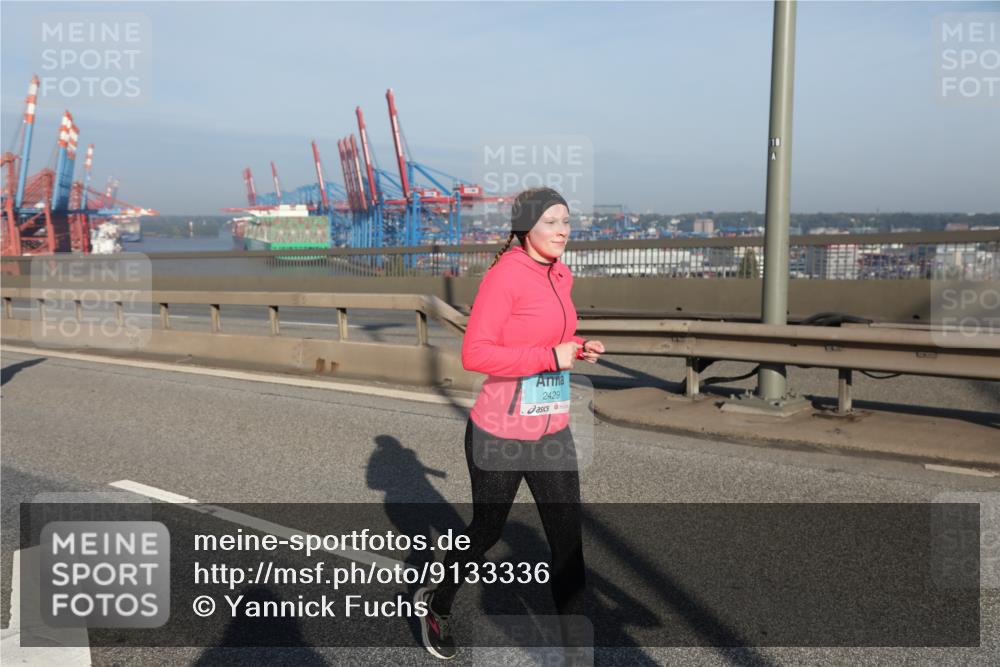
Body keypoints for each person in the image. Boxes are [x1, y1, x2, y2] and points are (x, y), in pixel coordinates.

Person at [415, 187, 606, 660]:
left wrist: (577, 346)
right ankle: (437, 604)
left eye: (566, 221)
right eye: (551, 222)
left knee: (567, 543)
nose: (562, 230)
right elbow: (476, 354)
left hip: (551, 429)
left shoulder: (560, 274)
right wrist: (550, 357)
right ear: (525, 228)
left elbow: (549, 334)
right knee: (486, 531)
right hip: (500, 432)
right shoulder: (504, 277)